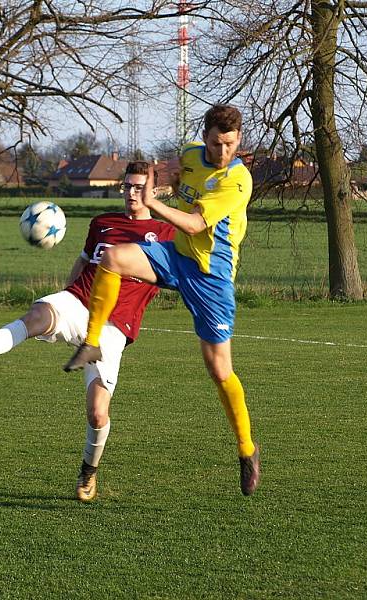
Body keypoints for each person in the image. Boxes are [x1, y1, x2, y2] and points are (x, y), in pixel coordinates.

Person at [64, 105, 261, 495]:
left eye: (231, 144)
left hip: (211, 277)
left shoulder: (237, 180)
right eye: (216, 143)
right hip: (177, 256)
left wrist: (151, 201)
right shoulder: (191, 155)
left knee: (220, 371)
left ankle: (246, 449)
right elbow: (169, 170)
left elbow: (193, 223)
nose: (223, 152)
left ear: (238, 141)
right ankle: (91, 342)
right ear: (204, 136)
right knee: (113, 257)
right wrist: (161, 178)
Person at [0, 161, 174, 502]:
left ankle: (88, 472)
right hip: (79, 302)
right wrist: (65, 294)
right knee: (38, 314)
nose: (131, 193)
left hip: (113, 327)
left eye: (139, 187)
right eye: (127, 186)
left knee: (98, 412)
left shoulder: (165, 232)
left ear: (154, 192)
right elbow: (84, 261)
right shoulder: (102, 224)